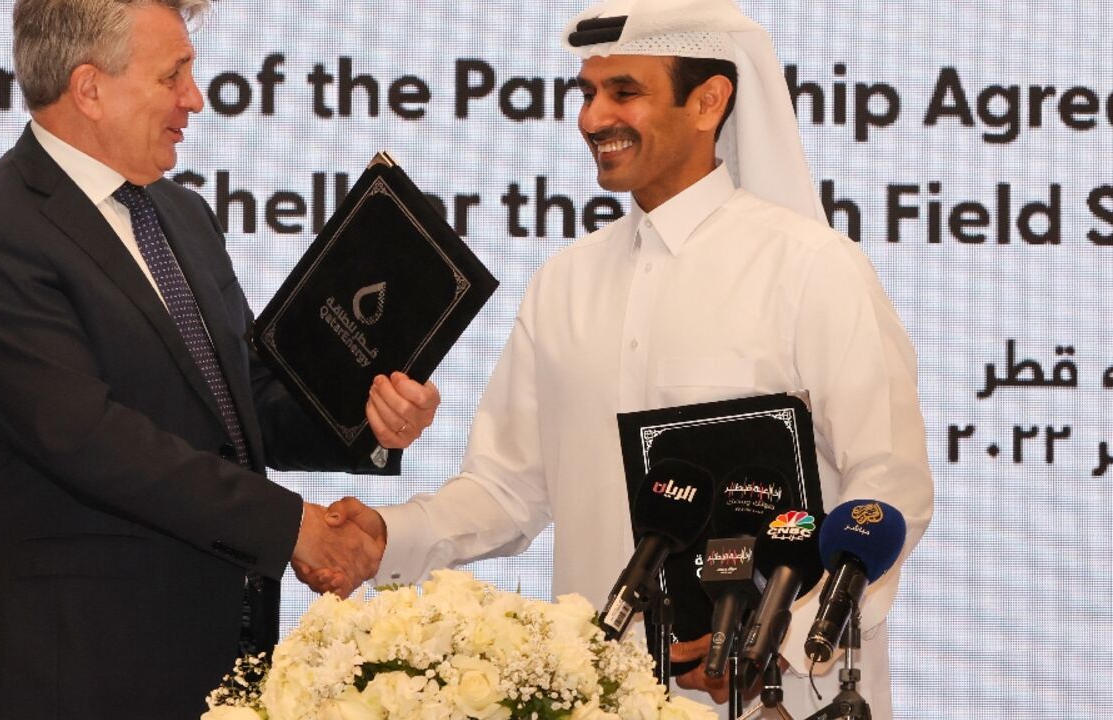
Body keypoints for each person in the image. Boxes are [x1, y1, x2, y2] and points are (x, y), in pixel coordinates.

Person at [316, 0, 934, 718]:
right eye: (587, 92)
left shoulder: (812, 270)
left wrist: (781, 641)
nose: (591, 117)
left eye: (624, 92)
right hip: (600, 700)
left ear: (708, 102)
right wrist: (387, 536)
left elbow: (889, 490)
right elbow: (508, 488)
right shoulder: (566, 282)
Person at [0, 1, 440, 717]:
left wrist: (366, 414)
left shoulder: (183, 216)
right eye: (174, 76)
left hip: (217, 665)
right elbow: (88, 438)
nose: (195, 99)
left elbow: (243, 402)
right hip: (73, 672)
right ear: (89, 88)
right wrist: (293, 526)